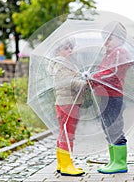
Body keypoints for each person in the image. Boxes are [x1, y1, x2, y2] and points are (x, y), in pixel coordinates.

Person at [91, 21, 131, 174]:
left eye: (110, 39)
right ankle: (113, 160)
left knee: (115, 128)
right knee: (107, 128)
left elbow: (111, 72)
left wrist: (95, 77)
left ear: (120, 39)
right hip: (104, 97)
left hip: (114, 97)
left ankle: (120, 163)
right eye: (105, 39)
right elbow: (102, 72)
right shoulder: (108, 54)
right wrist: (93, 80)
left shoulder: (120, 52)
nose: (106, 42)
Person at [48, 38, 86, 176]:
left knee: (65, 133)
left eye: (71, 48)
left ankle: (61, 162)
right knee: (67, 134)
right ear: (58, 51)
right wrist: (83, 83)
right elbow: (66, 82)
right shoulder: (60, 64)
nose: (70, 50)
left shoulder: (66, 63)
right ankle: (66, 165)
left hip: (71, 102)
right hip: (66, 103)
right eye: (66, 48)